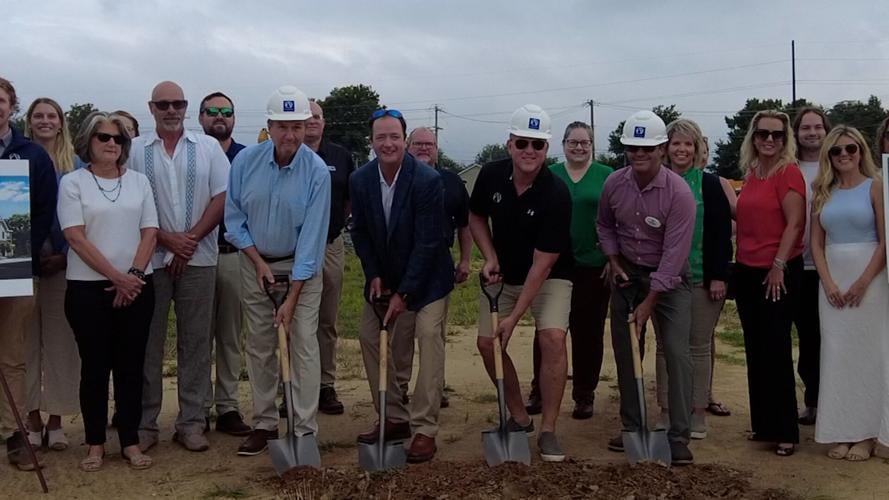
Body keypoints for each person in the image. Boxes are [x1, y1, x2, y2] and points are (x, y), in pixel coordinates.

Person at [225, 85, 330, 456]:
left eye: (298, 127)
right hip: (255, 264)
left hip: (300, 268)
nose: (291, 135)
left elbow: (313, 239)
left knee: (302, 343)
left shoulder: (317, 172)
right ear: (269, 126)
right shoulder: (245, 162)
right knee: (260, 344)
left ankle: (304, 428)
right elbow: (234, 219)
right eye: (283, 126)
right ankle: (265, 423)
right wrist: (257, 263)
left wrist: (292, 297)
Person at [127, 81, 230, 453]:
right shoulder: (135, 150)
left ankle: (191, 422)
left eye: (178, 103)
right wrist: (167, 240)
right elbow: (129, 200)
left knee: (196, 342)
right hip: (150, 262)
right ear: (151, 108)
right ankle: (145, 423)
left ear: (186, 107)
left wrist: (188, 241)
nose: (171, 110)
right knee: (148, 343)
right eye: (163, 104)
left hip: (199, 259)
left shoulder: (207, 149)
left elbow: (222, 197)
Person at [470, 104, 573, 462]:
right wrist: (489, 256)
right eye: (523, 143)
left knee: (552, 338)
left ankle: (548, 429)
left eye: (538, 145)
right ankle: (518, 415)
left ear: (547, 150)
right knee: (487, 343)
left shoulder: (556, 194)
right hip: (504, 273)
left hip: (549, 276)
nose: (530, 151)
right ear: (509, 144)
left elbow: (542, 266)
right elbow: (476, 215)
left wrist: (513, 319)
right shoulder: (490, 175)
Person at [350, 109, 453, 463]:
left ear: (405, 141)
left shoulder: (426, 181)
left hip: (429, 279)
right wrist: (373, 273)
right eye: (381, 137)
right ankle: (394, 416)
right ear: (372, 142)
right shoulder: (360, 179)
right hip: (386, 275)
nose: (388, 143)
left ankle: (424, 428)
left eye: (395, 136)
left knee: (427, 335)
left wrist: (404, 294)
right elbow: (360, 232)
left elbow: (427, 244)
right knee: (368, 336)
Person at [59, 112, 157, 471]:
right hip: (88, 290)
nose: (111, 143)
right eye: (103, 137)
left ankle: (130, 441)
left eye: (118, 138)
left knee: (131, 367)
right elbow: (75, 236)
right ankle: (96, 443)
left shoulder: (139, 183)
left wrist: (132, 276)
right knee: (95, 368)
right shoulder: (73, 183)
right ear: (89, 141)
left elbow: (150, 232)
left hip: (137, 288)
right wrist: (116, 277)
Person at [598, 110, 696, 465]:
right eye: (632, 148)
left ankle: (678, 434)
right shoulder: (614, 184)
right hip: (626, 273)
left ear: (662, 149)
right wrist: (612, 260)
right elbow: (605, 225)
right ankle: (633, 427)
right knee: (626, 350)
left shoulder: (679, 194)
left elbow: (673, 255)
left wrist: (650, 301)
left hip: (669, 281)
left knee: (676, 352)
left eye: (647, 148)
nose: (639, 154)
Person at [810, 126, 889, 461]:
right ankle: (843, 430)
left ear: (861, 152)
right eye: (837, 151)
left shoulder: (876, 187)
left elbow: (886, 241)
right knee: (838, 355)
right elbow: (815, 242)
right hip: (832, 284)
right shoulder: (822, 193)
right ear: (828, 155)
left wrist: (863, 281)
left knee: (870, 355)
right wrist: (828, 282)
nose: (844, 155)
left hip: (870, 282)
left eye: (851, 149)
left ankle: (870, 434)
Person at [526, 122, 611, 420]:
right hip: (554, 264)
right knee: (548, 331)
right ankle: (539, 389)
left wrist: (613, 256)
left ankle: (584, 394)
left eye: (584, 142)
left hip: (593, 265)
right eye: (573, 142)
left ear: (591, 145)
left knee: (588, 332)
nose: (579, 147)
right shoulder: (549, 175)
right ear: (563, 144)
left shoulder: (606, 176)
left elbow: (617, 217)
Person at [653, 119, 732, 440]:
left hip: (701, 278)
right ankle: (666, 410)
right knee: (664, 347)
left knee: (698, 348)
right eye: (676, 143)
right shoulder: (655, 182)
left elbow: (720, 234)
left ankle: (697, 411)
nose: (682, 149)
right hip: (664, 280)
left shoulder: (710, 184)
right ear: (665, 148)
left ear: (697, 148)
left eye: (688, 143)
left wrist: (718, 275)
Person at [734, 110, 804, 457]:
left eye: (777, 135)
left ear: (785, 138)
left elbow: (795, 224)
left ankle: (785, 430)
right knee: (755, 350)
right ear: (754, 136)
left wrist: (778, 264)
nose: (769, 140)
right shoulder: (752, 173)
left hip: (776, 271)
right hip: (747, 271)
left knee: (776, 350)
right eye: (763, 133)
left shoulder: (787, 173)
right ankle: (764, 424)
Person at [0, 77, 57, 472]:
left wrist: (17, 253)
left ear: (10, 106)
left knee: (11, 357)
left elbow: (42, 214)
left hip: (14, 268)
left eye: (0, 101)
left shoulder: (31, 156)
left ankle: (14, 435)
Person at [392, 126, 471, 410]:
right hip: (402, 267)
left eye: (430, 144)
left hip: (438, 266)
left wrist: (464, 259)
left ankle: (433, 388)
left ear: (437, 149)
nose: (424, 148)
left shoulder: (451, 182)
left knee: (432, 333)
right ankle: (398, 388)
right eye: (418, 144)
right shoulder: (397, 179)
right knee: (401, 335)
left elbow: (465, 224)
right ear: (408, 146)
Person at [22, 97, 81, 451]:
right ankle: (30, 418)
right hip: (23, 266)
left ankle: (57, 419)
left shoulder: (75, 165)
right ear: (29, 122)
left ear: (61, 123)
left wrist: (64, 253)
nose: (45, 121)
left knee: (62, 343)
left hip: (66, 262)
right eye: (38, 116)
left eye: (52, 116)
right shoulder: (17, 159)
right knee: (25, 343)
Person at [198, 91, 250, 436]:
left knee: (231, 336)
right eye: (213, 111)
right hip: (197, 257)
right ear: (201, 117)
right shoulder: (191, 154)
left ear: (234, 117)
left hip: (233, 255)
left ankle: (228, 405)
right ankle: (198, 406)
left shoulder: (249, 157)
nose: (220, 117)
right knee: (197, 336)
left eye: (226, 112)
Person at [304, 99, 355, 415]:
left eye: (317, 116)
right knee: (295, 320)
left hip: (330, 245)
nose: (311, 121)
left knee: (326, 319)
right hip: (293, 250)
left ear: (324, 122)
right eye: (305, 116)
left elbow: (349, 199)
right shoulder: (286, 153)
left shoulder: (340, 156)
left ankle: (325, 385)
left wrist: (333, 223)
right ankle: (294, 387)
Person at [791, 107, 832, 426]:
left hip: (832, 267)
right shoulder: (789, 167)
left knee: (827, 338)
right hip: (796, 265)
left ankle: (833, 401)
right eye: (806, 127)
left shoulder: (839, 163)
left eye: (818, 126)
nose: (813, 132)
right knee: (807, 338)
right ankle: (813, 402)